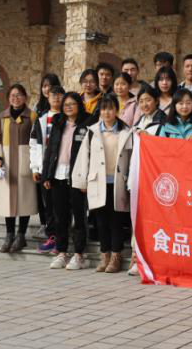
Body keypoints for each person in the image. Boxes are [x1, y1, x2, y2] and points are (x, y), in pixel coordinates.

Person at [72, 95, 134, 273]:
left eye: (111, 108)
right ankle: (104, 255)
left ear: (117, 110)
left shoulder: (126, 131)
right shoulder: (92, 132)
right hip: (97, 182)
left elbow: (131, 158)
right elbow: (83, 157)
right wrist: (82, 181)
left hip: (118, 183)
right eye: (104, 109)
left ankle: (116, 256)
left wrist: (131, 180)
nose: (107, 112)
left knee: (116, 221)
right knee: (101, 222)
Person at [41, 92, 91, 270]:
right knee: (60, 217)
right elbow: (50, 150)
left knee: (79, 216)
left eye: (72, 104)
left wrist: (87, 179)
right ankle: (62, 252)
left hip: (77, 175)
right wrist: (47, 175)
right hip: (58, 175)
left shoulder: (88, 123)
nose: (68, 107)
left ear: (79, 105)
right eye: (66, 104)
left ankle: (79, 254)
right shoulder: (58, 123)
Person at [0, 84, 39, 253]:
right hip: (7, 163)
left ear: (25, 97)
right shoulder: (2, 116)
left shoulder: (32, 116)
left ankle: (21, 235)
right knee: (8, 201)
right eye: (12, 95)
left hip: (26, 162)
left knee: (25, 199)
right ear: (8, 98)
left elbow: (37, 141)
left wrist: (36, 164)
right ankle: (9, 234)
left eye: (19, 95)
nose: (15, 98)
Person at [29, 84, 64, 252]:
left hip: (62, 169)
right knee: (48, 205)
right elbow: (33, 145)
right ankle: (52, 238)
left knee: (61, 206)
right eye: (53, 95)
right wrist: (35, 168)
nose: (56, 98)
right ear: (48, 98)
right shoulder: (41, 120)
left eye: (59, 95)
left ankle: (62, 238)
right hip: (44, 167)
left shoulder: (67, 118)